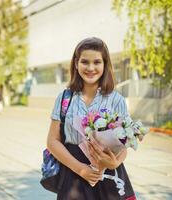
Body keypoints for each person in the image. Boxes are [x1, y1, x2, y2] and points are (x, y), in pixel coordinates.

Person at [46, 37, 136, 200]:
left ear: (105, 64)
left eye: (97, 62)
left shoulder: (117, 100)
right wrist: (81, 169)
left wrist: (114, 163)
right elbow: (52, 141)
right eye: (85, 62)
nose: (91, 68)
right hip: (73, 175)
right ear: (76, 63)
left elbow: (124, 145)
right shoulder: (65, 99)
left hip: (109, 176)